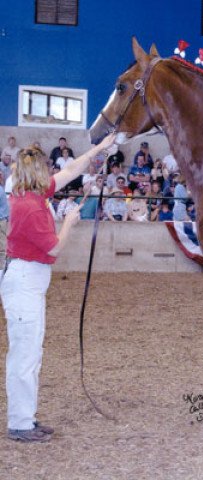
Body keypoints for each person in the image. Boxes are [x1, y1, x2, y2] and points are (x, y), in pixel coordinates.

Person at [1, 133, 115, 443]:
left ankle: (25, 417)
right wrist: (69, 223)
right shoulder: (31, 208)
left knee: (30, 352)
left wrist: (100, 149)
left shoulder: (31, 195)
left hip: (28, 282)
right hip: (25, 282)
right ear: (37, 172)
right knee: (25, 354)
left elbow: (71, 171)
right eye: (46, 168)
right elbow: (53, 249)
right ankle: (20, 423)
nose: (51, 171)